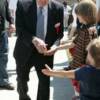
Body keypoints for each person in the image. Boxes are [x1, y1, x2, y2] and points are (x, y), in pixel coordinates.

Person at [14, 0, 63, 100]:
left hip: (45, 52)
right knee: (21, 81)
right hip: (25, 50)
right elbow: (19, 29)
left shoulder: (58, 8)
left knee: (44, 85)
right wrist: (34, 39)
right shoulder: (23, 5)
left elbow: (59, 34)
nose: (44, 1)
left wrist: (55, 46)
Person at [56, 1, 97, 99]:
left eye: (78, 15)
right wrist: (58, 48)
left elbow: (90, 51)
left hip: (83, 65)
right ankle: (78, 95)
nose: (77, 17)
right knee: (76, 83)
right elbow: (73, 43)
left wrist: (86, 67)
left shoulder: (90, 31)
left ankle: (79, 96)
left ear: (85, 15)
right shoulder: (83, 28)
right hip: (77, 63)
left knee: (82, 85)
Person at [0, 0, 15, 90]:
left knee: (3, 56)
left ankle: (3, 81)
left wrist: (12, 23)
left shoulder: (3, 0)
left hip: (2, 32)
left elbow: (8, 12)